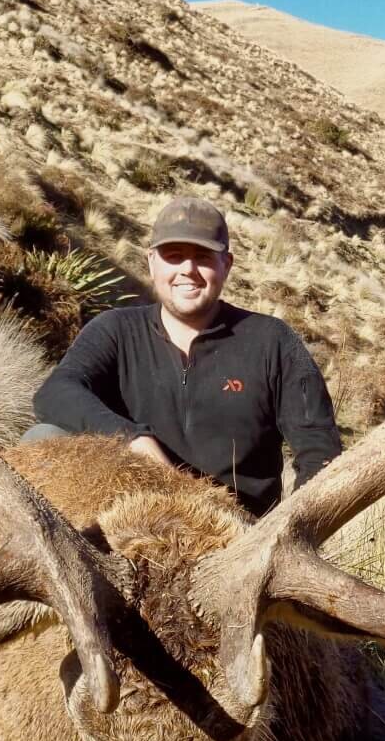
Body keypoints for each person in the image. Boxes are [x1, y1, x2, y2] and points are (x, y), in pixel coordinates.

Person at [25, 197, 341, 516]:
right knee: (43, 439)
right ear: (151, 262)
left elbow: (319, 449)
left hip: (235, 535)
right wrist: (133, 439)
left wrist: (292, 528)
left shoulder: (272, 340)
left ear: (226, 265)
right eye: (173, 256)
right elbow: (55, 393)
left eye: (203, 257)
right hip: (131, 518)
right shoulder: (115, 330)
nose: (187, 270)